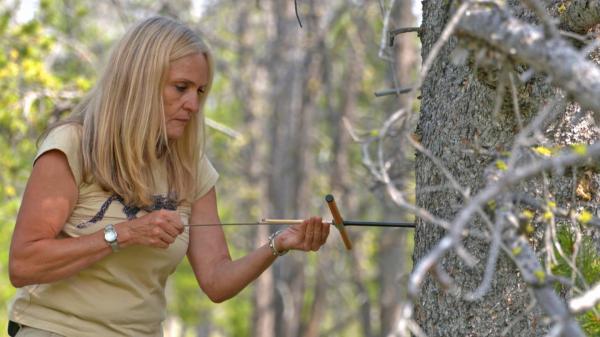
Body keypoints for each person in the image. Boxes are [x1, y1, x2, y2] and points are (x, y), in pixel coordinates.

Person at [7, 16, 330, 337]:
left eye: (200, 91)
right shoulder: (72, 146)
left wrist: (278, 245)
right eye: (181, 88)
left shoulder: (190, 167)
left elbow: (217, 281)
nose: (193, 104)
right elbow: (24, 265)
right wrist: (124, 233)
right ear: (141, 81)